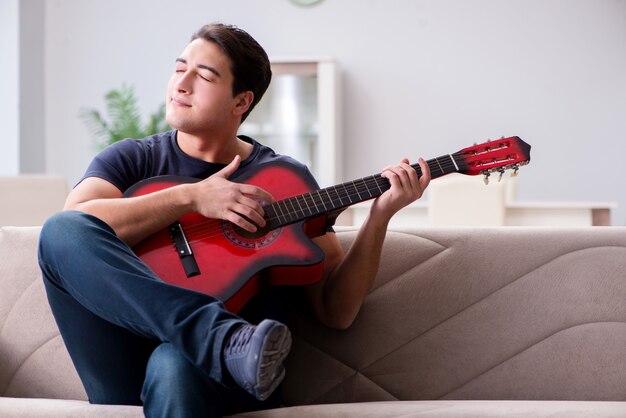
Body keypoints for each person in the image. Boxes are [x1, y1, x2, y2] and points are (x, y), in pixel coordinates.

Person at [38, 23, 431, 418]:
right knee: (60, 229)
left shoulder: (285, 180)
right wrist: (191, 196)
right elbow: (78, 224)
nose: (182, 83)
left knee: (175, 362)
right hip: (123, 362)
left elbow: (335, 312)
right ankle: (223, 338)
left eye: (204, 75)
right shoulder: (130, 159)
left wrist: (380, 216)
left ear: (241, 102)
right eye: (179, 68)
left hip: (226, 380)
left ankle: (223, 347)